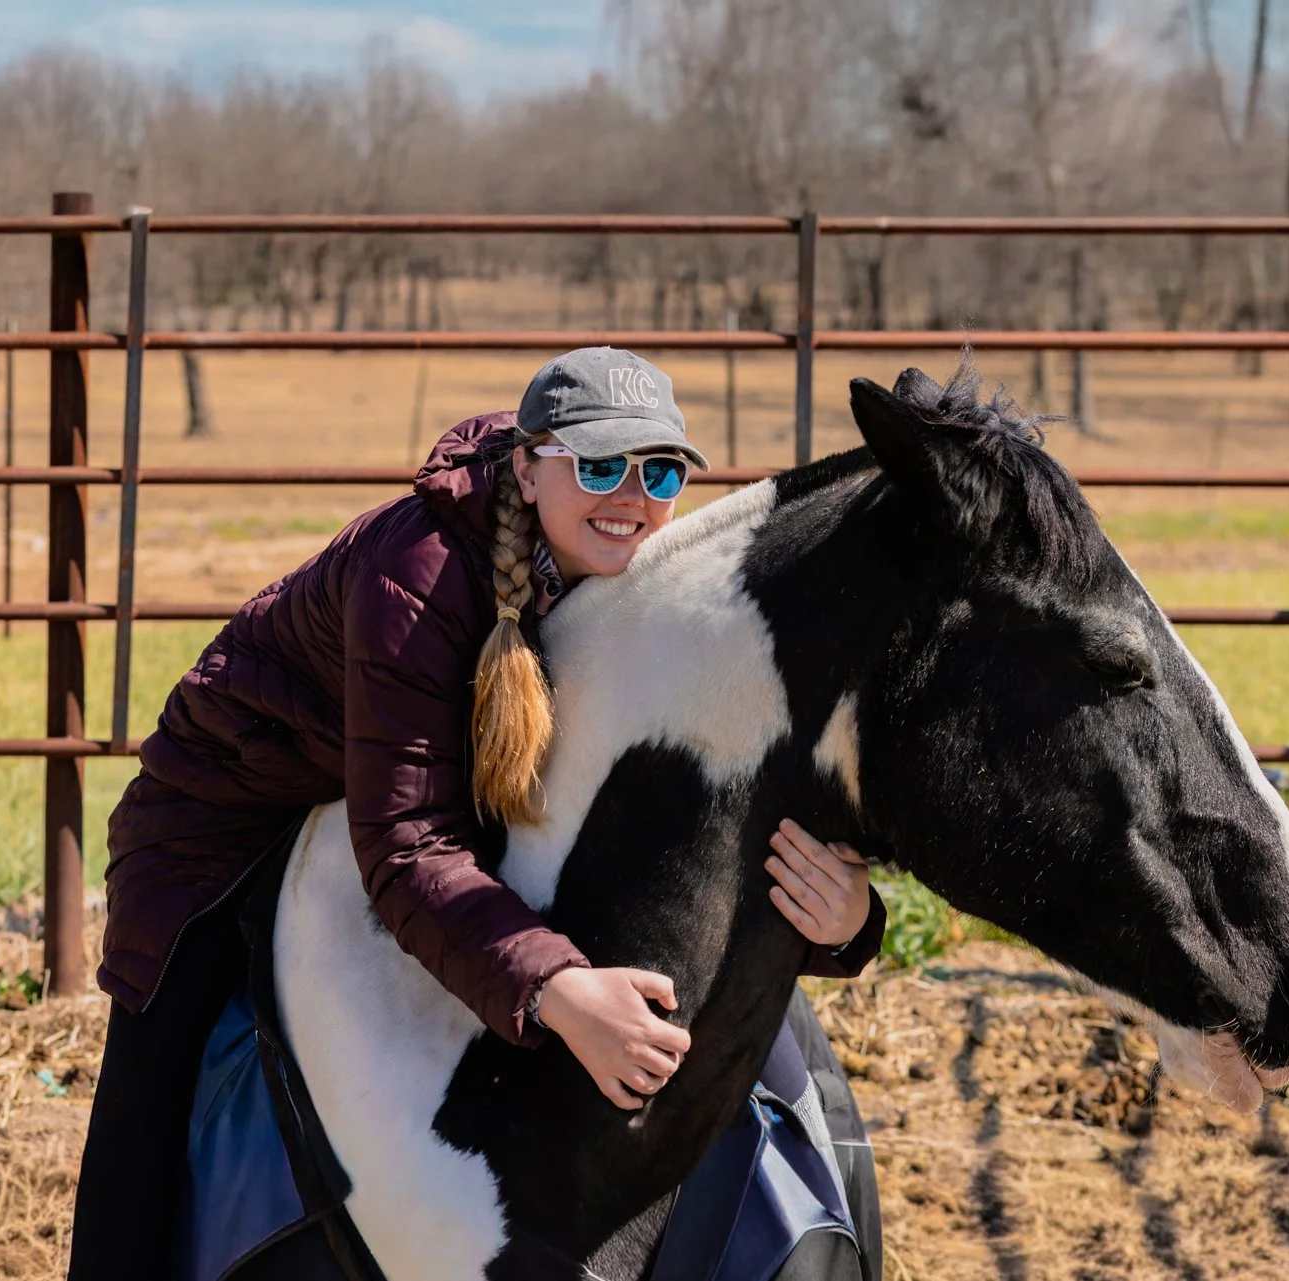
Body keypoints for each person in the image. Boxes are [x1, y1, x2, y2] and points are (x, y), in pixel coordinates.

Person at [69, 347, 887, 1276]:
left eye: (659, 470)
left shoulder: (643, 570)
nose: (632, 494)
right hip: (232, 816)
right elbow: (411, 843)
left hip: (449, 791)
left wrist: (846, 923)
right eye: (600, 465)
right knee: (148, 1101)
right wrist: (559, 992)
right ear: (531, 467)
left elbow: (696, 812)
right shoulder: (412, 574)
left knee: (789, 1065)